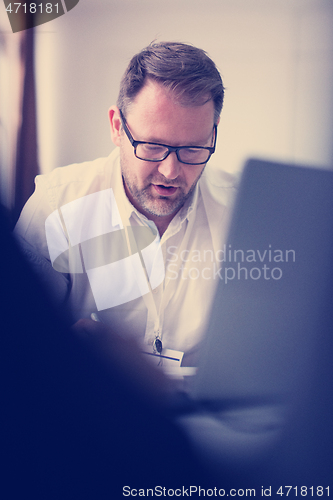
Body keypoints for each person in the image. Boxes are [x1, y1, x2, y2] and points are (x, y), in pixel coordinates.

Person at [14, 42, 236, 367]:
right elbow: (16, 341)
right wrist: (59, 349)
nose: (170, 171)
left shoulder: (242, 209)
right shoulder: (55, 206)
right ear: (118, 128)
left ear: (212, 134)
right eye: (152, 145)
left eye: (192, 148)